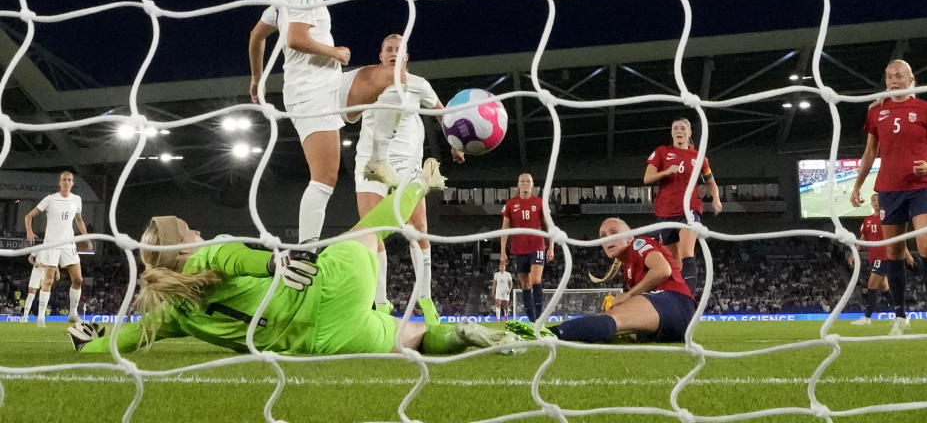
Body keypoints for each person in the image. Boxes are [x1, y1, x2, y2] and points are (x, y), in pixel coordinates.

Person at [68, 159, 522, 357]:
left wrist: (87, 343)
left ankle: (457, 337)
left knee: (418, 339)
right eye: (191, 231)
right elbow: (237, 257)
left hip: (321, 345)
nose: (199, 232)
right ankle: (418, 183)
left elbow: (128, 340)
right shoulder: (211, 252)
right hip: (327, 288)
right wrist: (273, 263)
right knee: (365, 232)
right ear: (182, 248)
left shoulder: (170, 311)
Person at [247, 0, 406, 242]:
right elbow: (295, 39)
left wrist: (256, 78)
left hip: (328, 84)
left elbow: (255, 36)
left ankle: (378, 156)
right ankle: (304, 251)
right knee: (325, 177)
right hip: (311, 94)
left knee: (392, 76)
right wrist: (334, 51)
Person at [355, 34, 464, 317]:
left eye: (399, 50)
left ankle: (425, 300)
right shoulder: (365, 83)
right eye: (388, 49)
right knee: (370, 233)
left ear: (406, 57)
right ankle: (379, 303)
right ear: (380, 56)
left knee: (418, 231)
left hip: (408, 166)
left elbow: (442, 113)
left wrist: (454, 144)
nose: (393, 53)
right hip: (371, 164)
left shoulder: (419, 85)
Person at [850, 59, 927, 336]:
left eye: (898, 76)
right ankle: (900, 316)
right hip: (889, 189)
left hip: (922, 186)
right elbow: (870, 153)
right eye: (888, 77)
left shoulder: (925, 109)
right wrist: (857, 186)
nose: (892, 81)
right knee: (894, 252)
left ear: (911, 78)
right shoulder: (876, 112)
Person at [508, 217, 695, 344]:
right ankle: (551, 334)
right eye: (603, 236)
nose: (608, 238)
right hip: (672, 324)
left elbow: (663, 270)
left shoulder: (640, 243)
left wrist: (629, 295)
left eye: (614, 232)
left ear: (629, 237)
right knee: (610, 323)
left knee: (613, 319)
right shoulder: (628, 267)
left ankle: (547, 334)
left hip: (675, 302)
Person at [643, 118, 722, 295]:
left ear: (689, 133)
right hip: (665, 212)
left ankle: (689, 297)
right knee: (674, 262)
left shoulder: (699, 157)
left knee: (687, 252)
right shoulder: (662, 152)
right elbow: (647, 179)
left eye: (683, 128)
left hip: (689, 209)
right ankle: (678, 295)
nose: (679, 131)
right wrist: (666, 171)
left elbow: (711, 182)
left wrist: (716, 199)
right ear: (671, 133)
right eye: (676, 128)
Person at [24, 171, 91, 327]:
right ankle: (41, 318)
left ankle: (73, 313)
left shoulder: (77, 199)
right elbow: (28, 216)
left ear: (72, 183)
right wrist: (29, 230)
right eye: (64, 180)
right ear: (59, 182)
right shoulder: (51, 199)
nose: (67, 182)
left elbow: (79, 220)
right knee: (48, 281)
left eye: (69, 180)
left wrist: (86, 237)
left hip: (69, 244)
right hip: (51, 245)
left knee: (78, 279)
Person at [848, 194, 914, 325]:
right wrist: (853, 254)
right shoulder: (867, 220)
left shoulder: (887, 217)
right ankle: (902, 317)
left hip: (884, 256)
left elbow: (898, 236)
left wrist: (907, 254)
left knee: (871, 285)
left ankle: (867, 317)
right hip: (874, 257)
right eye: (873, 200)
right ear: (871, 203)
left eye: (877, 200)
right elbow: (862, 239)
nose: (875, 202)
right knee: (884, 289)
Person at [500, 173, 554, 321]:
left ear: (532, 184)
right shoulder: (511, 204)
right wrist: (503, 251)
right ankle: (532, 320)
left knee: (536, 280)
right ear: (518, 184)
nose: (525, 183)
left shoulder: (539, 203)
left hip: (537, 245)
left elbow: (549, 226)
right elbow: (504, 230)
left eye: (527, 181)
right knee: (525, 284)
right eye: (522, 181)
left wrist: (551, 247)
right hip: (519, 248)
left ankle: (539, 317)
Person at [22, 254, 60, 321]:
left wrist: (57, 272)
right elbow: (30, 258)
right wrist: (34, 263)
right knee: (31, 295)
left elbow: (54, 262)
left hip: (46, 273)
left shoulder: (52, 250)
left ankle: (41, 317)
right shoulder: (39, 248)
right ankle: (24, 318)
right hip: (36, 272)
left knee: (44, 295)